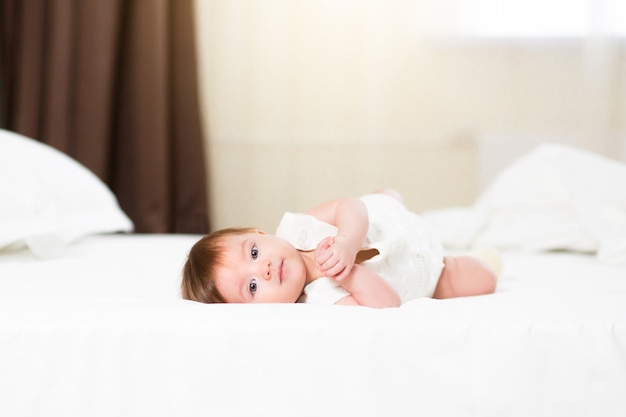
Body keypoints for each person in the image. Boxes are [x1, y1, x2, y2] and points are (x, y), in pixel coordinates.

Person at [181, 189, 500, 308]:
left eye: (253, 253)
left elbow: (349, 206)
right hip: (429, 269)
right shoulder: (321, 300)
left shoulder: (297, 227)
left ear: (259, 232)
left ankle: (394, 199)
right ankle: (481, 258)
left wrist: (347, 241)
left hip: (387, 221)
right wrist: (347, 275)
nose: (262, 269)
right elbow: (387, 304)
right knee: (483, 280)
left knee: (382, 198)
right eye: (252, 287)